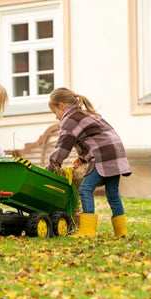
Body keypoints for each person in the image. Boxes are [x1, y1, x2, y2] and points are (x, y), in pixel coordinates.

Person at [46, 87, 131, 238]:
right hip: (115, 153)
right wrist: (83, 158)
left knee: (85, 190)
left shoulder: (69, 119)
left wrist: (52, 166)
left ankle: (87, 231)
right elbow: (94, 137)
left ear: (62, 106)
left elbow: (62, 148)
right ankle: (121, 232)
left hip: (103, 155)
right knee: (112, 193)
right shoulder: (85, 113)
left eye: (55, 113)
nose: (56, 118)